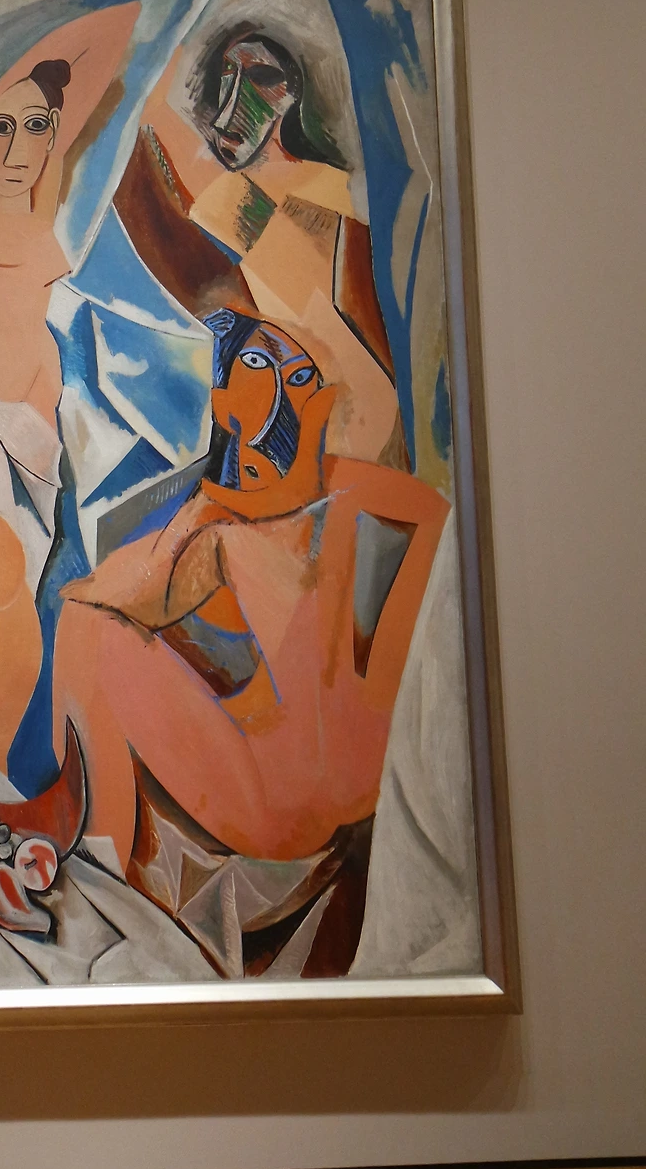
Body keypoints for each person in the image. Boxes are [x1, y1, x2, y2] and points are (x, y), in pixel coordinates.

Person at [50, 309, 447, 969]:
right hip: (299, 788)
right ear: (224, 397)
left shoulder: (380, 505)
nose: (287, 390)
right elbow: (113, 596)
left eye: (301, 375)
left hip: (321, 793)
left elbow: (100, 604)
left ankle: (102, 892)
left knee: (89, 631)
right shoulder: (217, 521)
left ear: (324, 401)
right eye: (260, 363)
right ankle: (103, 884)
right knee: (90, 626)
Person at [0, 1, 139, 594]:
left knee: (19, 579)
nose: (17, 150)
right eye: (1, 130)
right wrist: (4, 97)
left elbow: (116, 29)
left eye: (36, 128)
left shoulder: (46, 203)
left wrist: (21, 100)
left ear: (54, 136)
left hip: (38, 411)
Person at [138, 27, 399, 464]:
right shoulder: (223, 203)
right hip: (275, 432)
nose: (233, 107)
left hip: (348, 434)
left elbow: (361, 322)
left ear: (293, 96)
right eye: (228, 75)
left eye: (261, 77)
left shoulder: (328, 194)